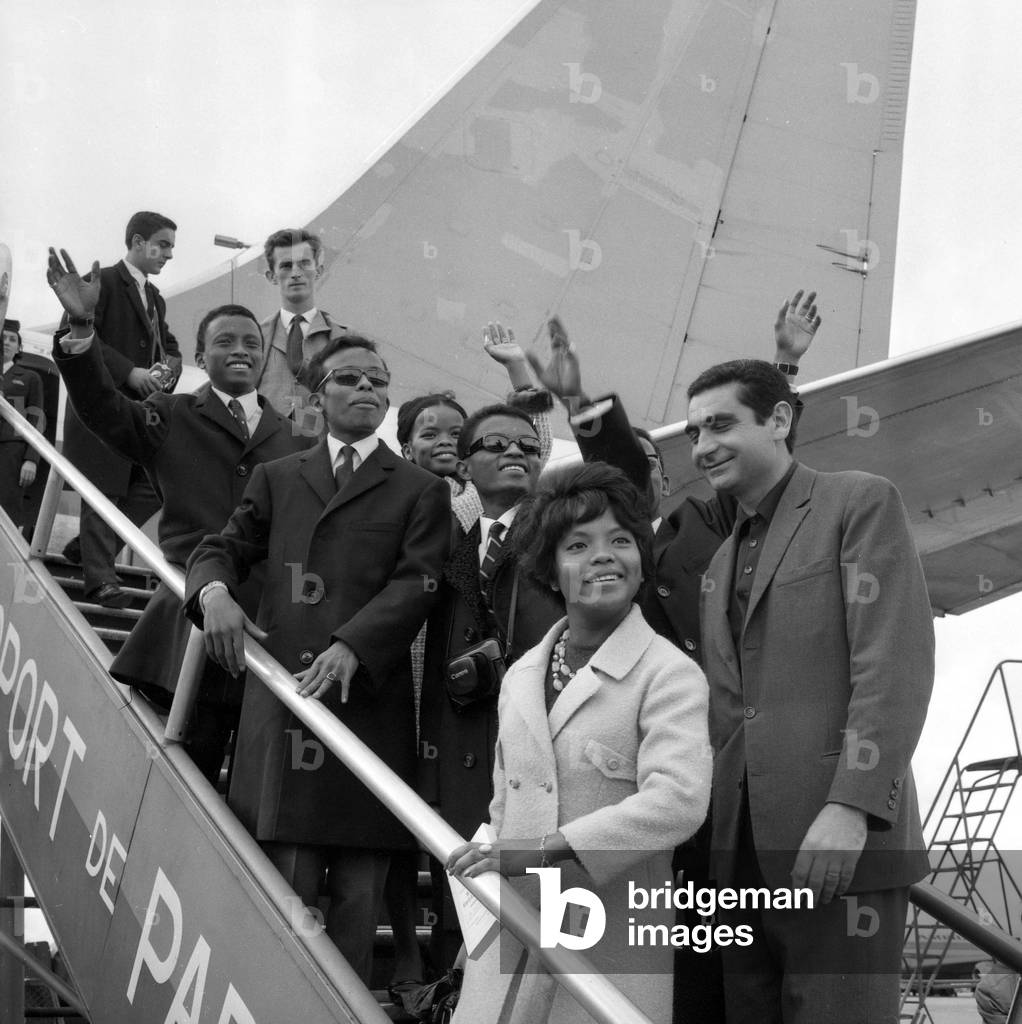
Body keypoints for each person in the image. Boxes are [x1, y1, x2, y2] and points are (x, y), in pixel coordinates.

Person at [185, 335, 451, 986]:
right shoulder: (277, 477)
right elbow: (224, 546)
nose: (366, 388)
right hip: (284, 710)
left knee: (360, 904)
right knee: (284, 897)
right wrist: (212, 591)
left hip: (370, 713)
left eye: (377, 379)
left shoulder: (420, 489)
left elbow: (419, 581)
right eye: (350, 377)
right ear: (318, 395)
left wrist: (354, 643)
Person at [688, 359, 934, 1024]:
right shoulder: (715, 566)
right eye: (693, 432)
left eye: (719, 424)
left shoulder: (859, 501)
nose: (702, 446)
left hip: (835, 845)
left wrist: (851, 806)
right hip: (740, 860)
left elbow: (894, 664)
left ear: (778, 419)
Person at [447, 462, 711, 1024]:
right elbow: (501, 807)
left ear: (642, 560)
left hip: (609, 929)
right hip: (511, 928)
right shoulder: (520, 675)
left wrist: (543, 851)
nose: (604, 555)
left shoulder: (670, 673)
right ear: (550, 568)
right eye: (578, 544)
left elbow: (678, 802)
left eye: (621, 540)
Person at [46, 246, 314, 782]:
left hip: (268, 627)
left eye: (251, 343)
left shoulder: (294, 436)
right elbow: (102, 407)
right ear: (199, 355)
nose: (241, 351)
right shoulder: (171, 414)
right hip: (187, 621)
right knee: (183, 778)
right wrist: (81, 329)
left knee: (250, 796)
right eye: (224, 342)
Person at [418, 399, 563, 966]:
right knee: (459, 919)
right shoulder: (444, 539)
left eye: (528, 447)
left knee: (529, 931)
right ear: (463, 465)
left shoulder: (562, 532)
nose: (516, 453)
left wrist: (542, 388)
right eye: (497, 444)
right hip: (452, 759)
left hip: (535, 761)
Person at [60, 210, 183, 608]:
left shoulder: (155, 298)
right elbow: (78, 333)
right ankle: (100, 580)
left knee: (155, 486)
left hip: (135, 413)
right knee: (105, 487)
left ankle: (86, 549)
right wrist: (129, 372)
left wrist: (169, 368)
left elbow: (168, 345)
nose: (168, 254)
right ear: (136, 242)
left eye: (170, 247)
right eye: (162, 245)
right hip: (99, 404)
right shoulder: (104, 282)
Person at [255, 227, 346, 418]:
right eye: (286, 266)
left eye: (304, 264)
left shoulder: (345, 337)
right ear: (271, 276)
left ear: (319, 271)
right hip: (267, 442)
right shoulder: (255, 336)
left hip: (322, 442)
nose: (296, 273)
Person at [0, 319, 43, 528]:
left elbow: (36, 419)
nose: (6, 342)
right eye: (3, 338)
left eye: (12, 339)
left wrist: (31, 460)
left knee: (6, 512)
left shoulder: (30, 378)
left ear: (19, 347)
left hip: (11, 453)